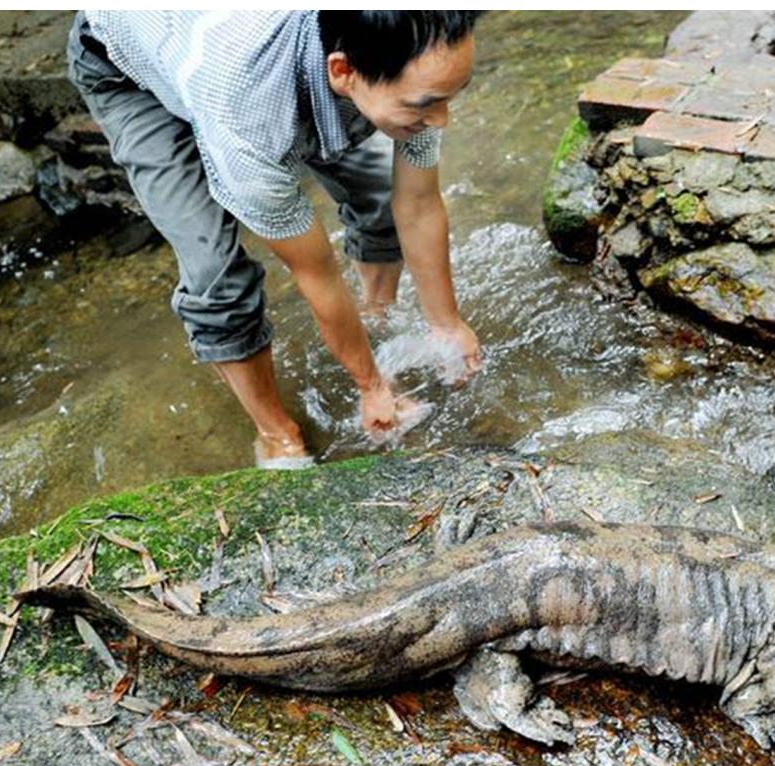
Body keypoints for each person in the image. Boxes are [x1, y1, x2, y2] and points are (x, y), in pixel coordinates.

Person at [65, 11, 483, 468]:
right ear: (343, 72)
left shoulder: (406, 44)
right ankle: (276, 433)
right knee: (216, 276)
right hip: (136, 72)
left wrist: (445, 324)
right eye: (424, 105)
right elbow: (314, 269)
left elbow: (418, 204)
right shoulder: (251, 114)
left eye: (451, 97)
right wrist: (372, 387)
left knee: (380, 195)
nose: (440, 120)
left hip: (228, 50)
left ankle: (375, 314)